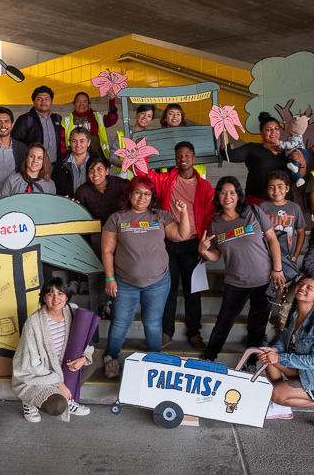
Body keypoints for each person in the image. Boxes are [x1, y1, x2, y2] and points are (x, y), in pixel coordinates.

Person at [101, 176, 191, 378]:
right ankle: (111, 358)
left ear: (152, 197)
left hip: (158, 282)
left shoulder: (160, 216)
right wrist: (109, 278)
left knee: (152, 322)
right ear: (130, 194)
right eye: (138, 192)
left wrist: (184, 213)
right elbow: (107, 251)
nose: (142, 197)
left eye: (147, 193)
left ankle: (155, 360)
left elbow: (181, 235)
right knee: (120, 322)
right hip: (124, 282)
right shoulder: (117, 218)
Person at [198, 177, 285, 363]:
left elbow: (273, 239)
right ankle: (209, 357)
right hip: (235, 282)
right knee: (223, 322)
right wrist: (204, 251)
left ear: (238, 195)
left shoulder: (254, 212)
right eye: (223, 192)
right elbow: (216, 256)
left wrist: (277, 269)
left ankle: (251, 363)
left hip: (262, 279)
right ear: (218, 196)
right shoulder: (216, 224)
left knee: (257, 326)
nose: (227, 196)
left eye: (232, 192)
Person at [141, 141, 215, 350]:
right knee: (169, 290)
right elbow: (145, 174)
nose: (183, 159)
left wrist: (205, 244)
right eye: (179, 156)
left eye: (187, 155)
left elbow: (209, 216)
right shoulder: (166, 180)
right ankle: (166, 332)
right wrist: (141, 153)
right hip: (167, 244)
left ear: (194, 158)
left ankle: (194, 333)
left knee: (193, 291)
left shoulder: (205, 187)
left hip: (193, 244)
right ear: (175, 159)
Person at [261, 276, 314, 429]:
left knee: (276, 394)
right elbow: (282, 341)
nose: (302, 288)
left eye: (309, 288)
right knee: (269, 360)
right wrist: (273, 351)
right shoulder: (294, 315)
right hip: (303, 372)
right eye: (301, 284)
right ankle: (281, 408)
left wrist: (280, 357)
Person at [12, 277, 94, 423]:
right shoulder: (34, 323)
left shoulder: (72, 311)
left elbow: (84, 342)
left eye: (60, 293)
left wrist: (83, 358)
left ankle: (69, 397)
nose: (56, 298)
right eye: (50, 294)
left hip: (62, 368)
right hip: (38, 375)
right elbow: (31, 365)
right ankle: (29, 401)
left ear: (67, 296)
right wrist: (60, 384)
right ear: (44, 298)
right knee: (57, 405)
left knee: (93, 359)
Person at [73, 155, 129, 317]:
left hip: (120, 231)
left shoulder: (120, 185)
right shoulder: (83, 191)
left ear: (106, 171)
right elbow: (79, 216)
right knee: (104, 267)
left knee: (121, 265)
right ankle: (101, 305)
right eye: (91, 169)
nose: (95, 173)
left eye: (99, 169)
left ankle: (117, 303)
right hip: (98, 233)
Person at [220, 112, 307, 204]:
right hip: (257, 202)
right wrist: (223, 130)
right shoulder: (252, 148)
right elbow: (228, 155)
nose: (273, 132)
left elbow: (299, 175)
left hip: (283, 205)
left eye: (276, 129)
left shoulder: (288, 150)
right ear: (261, 133)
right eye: (268, 129)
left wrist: (302, 163)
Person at [258, 170, 307, 261]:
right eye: (271, 187)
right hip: (266, 256)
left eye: (280, 186)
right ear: (267, 190)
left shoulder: (295, 208)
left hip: (288, 256)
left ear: (287, 188)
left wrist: (295, 256)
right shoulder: (262, 207)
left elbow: (301, 233)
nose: (276, 191)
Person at [11, 85, 66, 163]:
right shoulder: (25, 119)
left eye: (47, 99)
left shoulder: (57, 119)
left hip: (54, 166)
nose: (43, 102)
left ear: (52, 102)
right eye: (40, 99)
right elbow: (14, 142)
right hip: (34, 166)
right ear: (33, 102)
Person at [61, 91, 118, 158]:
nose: (81, 104)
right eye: (78, 101)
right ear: (74, 104)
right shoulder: (66, 120)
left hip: (96, 157)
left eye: (84, 101)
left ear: (88, 104)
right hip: (76, 159)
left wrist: (112, 102)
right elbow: (62, 143)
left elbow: (111, 120)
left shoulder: (97, 116)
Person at [109, 104, 156, 178]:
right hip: (125, 180)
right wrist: (128, 166)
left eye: (149, 116)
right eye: (143, 113)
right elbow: (112, 157)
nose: (145, 117)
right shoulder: (122, 135)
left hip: (144, 181)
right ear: (136, 115)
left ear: (151, 121)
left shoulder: (150, 137)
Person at [53, 127, 93, 197]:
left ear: (88, 142)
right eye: (74, 141)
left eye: (82, 141)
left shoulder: (96, 163)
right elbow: (55, 188)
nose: (78, 145)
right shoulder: (61, 164)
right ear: (70, 142)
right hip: (68, 204)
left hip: (91, 205)